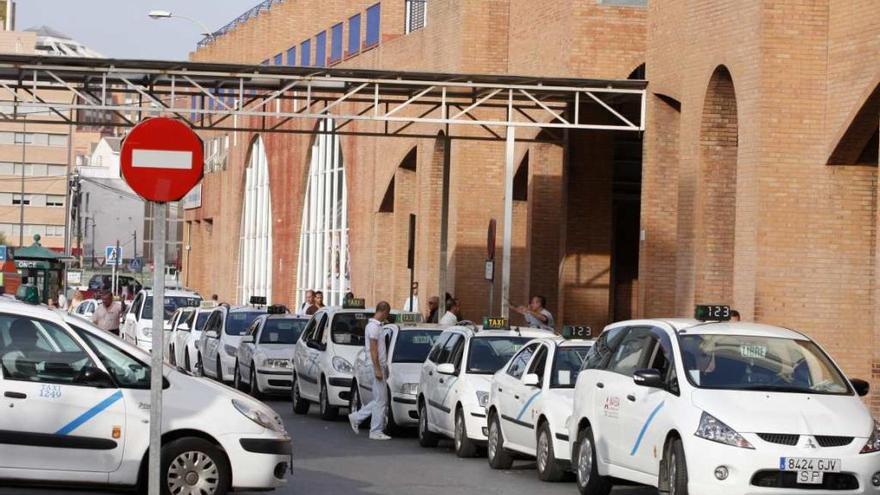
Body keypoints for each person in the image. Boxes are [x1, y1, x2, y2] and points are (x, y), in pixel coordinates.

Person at [348, 301, 392, 440]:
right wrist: (378, 369)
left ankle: (357, 417)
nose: (387, 316)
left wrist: (384, 368)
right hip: (374, 366)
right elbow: (374, 351)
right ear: (384, 311)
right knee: (380, 400)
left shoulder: (375, 326)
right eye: (387, 314)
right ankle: (375, 430)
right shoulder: (374, 327)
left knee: (379, 399)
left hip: (377, 365)